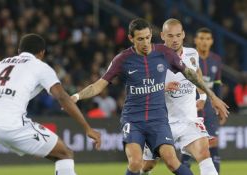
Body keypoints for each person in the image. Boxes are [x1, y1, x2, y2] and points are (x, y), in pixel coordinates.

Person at [71, 18, 229, 175]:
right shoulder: (123, 59)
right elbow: (98, 85)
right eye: (140, 39)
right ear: (131, 38)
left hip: (169, 120)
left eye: (148, 38)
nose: (146, 43)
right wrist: (77, 96)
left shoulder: (169, 53)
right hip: (142, 119)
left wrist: (210, 96)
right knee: (140, 165)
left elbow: (191, 74)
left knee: (186, 158)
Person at [0, 33, 101, 175]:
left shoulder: (0, 64)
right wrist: (87, 128)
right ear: (42, 53)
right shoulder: (40, 66)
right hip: (9, 122)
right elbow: (62, 97)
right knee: (64, 153)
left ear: (19, 51)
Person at [142, 19, 219, 175]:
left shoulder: (192, 54)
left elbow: (196, 75)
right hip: (161, 122)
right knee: (147, 166)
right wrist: (162, 88)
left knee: (204, 154)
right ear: (163, 35)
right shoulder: (152, 59)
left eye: (178, 35)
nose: (175, 39)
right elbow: (142, 91)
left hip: (188, 120)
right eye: (170, 35)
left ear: (183, 34)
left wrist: (203, 96)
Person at [181, 28, 224, 173]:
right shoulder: (188, 57)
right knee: (188, 148)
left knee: (213, 145)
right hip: (192, 108)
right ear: (195, 40)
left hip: (210, 110)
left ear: (211, 41)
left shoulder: (216, 60)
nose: (204, 41)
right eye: (201, 38)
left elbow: (217, 85)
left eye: (207, 38)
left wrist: (219, 108)